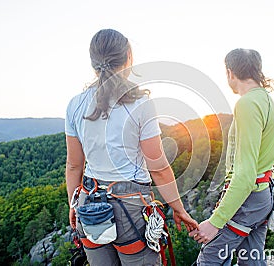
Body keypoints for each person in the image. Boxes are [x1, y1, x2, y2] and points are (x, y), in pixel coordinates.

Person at [65, 29, 198, 266]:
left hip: (89, 205)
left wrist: (73, 204)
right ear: (129, 57)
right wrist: (178, 209)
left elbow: (74, 164)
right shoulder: (140, 103)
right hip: (131, 207)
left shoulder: (75, 105)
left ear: (92, 62)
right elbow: (157, 167)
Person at [189, 48, 274, 265]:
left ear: (230, 73)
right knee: (251, 259)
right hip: (263, 195)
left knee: (210, 257)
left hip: (249, 198)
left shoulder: (247, 103)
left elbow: (245, 174)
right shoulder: (267, 101)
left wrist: (215, 222)